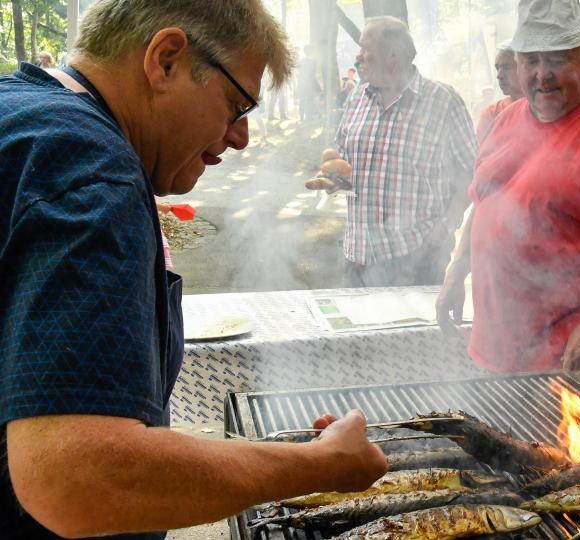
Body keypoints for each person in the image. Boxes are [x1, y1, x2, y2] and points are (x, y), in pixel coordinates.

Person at [0, 2, 387, 538]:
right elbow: (76, 478)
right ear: (165, 61)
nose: (241, 137)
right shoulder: (94, 172)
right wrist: (321, 465)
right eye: (237, 105)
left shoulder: (22, 115)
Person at [436, 0, 580, 373]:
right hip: (498, 349)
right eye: (531, 60)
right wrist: (456, 271)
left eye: (557, 59)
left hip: (570, 362)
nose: (542, 75)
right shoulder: (506, 120)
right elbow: (484, 203)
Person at [334, 17, 477, 287]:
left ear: (393, 54)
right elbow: (343, 160)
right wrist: (334, 178)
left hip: (418, 255)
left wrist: (446, 226)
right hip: (357, 255)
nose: (358, 55)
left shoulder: (443, 101)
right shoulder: (357, 98)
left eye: (365, 47)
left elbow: (473, 172)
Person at [476, 44, 523, 142]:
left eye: (507, 67)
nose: (499, 75)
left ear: (525, 69)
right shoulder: (491, 114)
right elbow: (483, 150)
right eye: (497, 68)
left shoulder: (544, 109)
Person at [297, 46, 319, 120]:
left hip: (304, 84)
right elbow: (313, 73)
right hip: (308, 84)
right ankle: (307, 116)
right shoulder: (313, 62)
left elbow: (299, 73)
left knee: (304, 100)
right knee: (307, 100)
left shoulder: (302, 61)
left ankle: (304, 116)